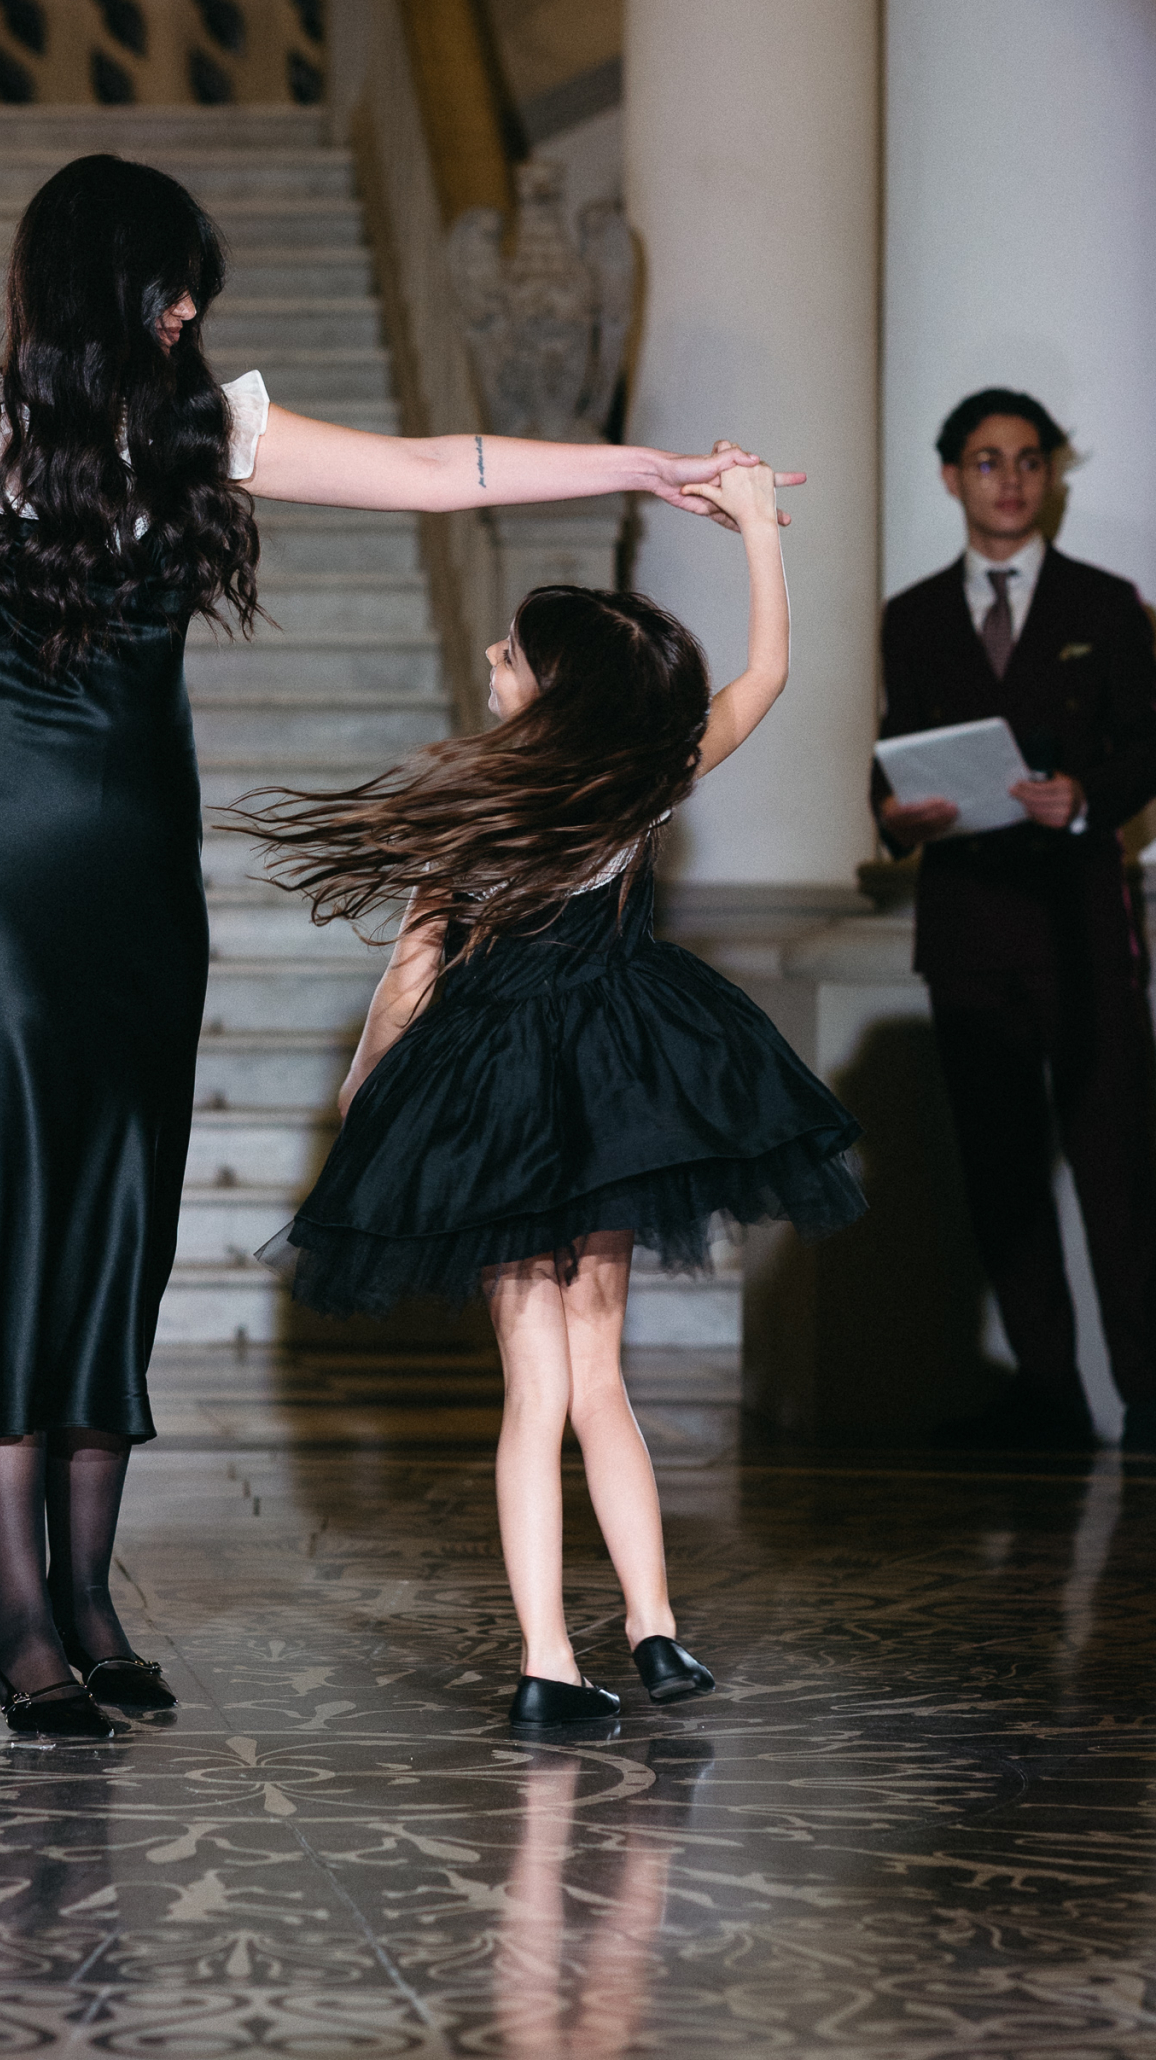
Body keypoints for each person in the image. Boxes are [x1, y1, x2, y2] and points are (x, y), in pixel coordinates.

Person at [0, 153, 799, 1744]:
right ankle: (19, 1628)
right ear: (106, 288)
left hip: (144, 880)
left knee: (124, 1225)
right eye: (171, 287)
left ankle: (89, 1602)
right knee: (10, 1217)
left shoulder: (206, 433)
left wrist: (643, 466)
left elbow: (436, 468)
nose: (189, 313)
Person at [235, 459, 863, 1730]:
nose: (491, 654)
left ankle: (552, 1659)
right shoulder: (641, 780)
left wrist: (367, 1092)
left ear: (551, 689)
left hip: (504, 1106)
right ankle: (651, 1629)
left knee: (539, 1395)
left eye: (512, 653)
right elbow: (768, 674)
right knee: (600, 1381)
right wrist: (756, 528)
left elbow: (411, 976)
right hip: (614, 1090)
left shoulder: (475, 806)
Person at [874, 388, 1156, 1454]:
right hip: (968, 930)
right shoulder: (912, 616)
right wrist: (893, 814)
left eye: (1029, 460)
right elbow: (893, 753)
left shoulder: (1104, 603)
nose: (1011, 480)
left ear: (1050, 475)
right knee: (999, 1173)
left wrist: (1083, 796)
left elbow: (1148, 743)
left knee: (1117, 1167)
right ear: (952, 476)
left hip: (1081, 928)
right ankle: (1047, 1395)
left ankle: (1146, 1394)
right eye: (988, 461)